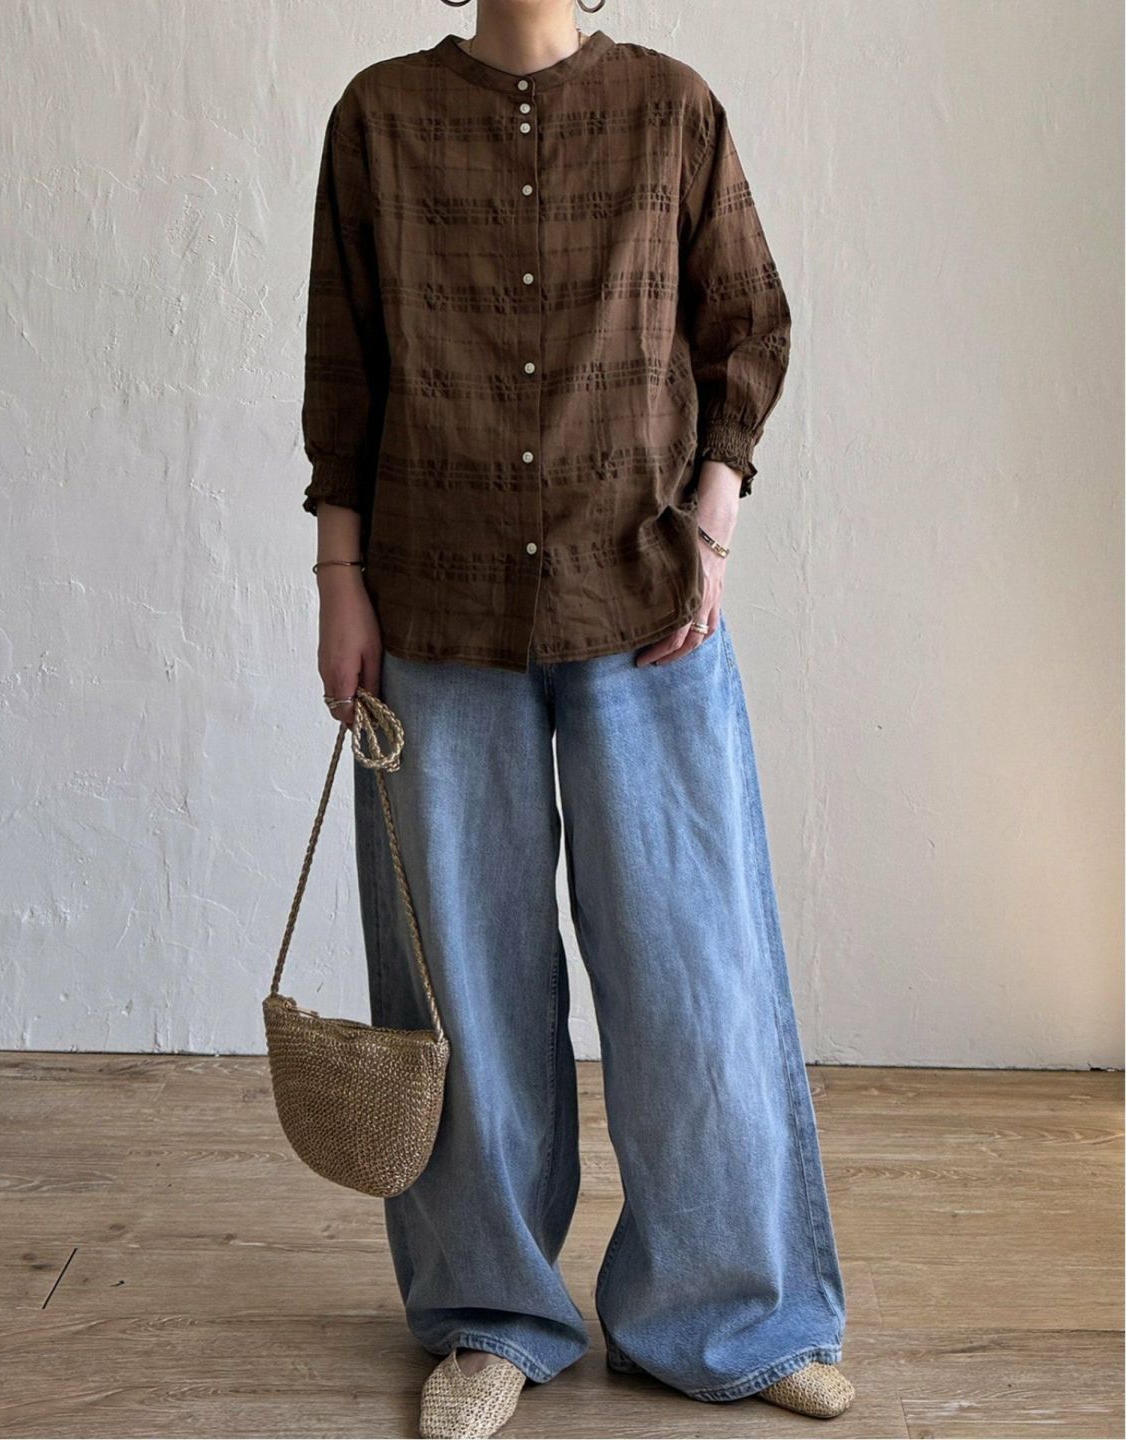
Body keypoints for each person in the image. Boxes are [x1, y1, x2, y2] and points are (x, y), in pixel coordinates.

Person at [301, 3, 854, 1436]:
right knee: (461, 985)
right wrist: (340, 584)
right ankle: (490, 1315)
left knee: (696, 972)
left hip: (647, 605)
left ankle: (729, 1318)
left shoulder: (674, 108)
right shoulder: (379, 118)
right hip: (434, 609)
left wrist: (713, 527)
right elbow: (345, 376)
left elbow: (748, 325)